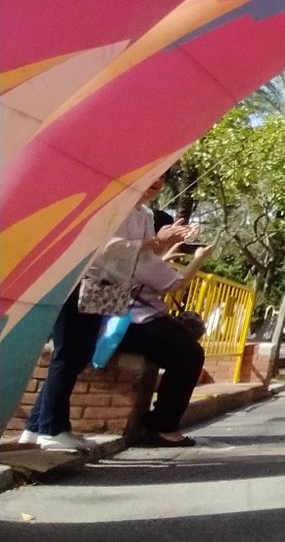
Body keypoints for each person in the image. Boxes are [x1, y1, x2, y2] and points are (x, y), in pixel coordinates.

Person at [19, 174, 191, 451]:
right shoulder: (112, 205)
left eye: (162, 177)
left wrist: (166, 256)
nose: (157, 182)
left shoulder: (145, 215)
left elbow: (142, 260)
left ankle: (36, 427)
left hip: (109, 289)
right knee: (68, 354)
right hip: (79, 284)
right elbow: (101, 246)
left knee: (78, 355)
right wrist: (151, 243)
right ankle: (51, 429)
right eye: (152, 175)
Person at [121, 233, 213, 448]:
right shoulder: (143, 258)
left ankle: (162, 421)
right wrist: (199, 258)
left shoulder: (135, 256)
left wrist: (166, 257)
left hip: (129, 322)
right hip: (134, 324)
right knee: (189, 354)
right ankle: (164, 426)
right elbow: (176, 284)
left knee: (184, 348)